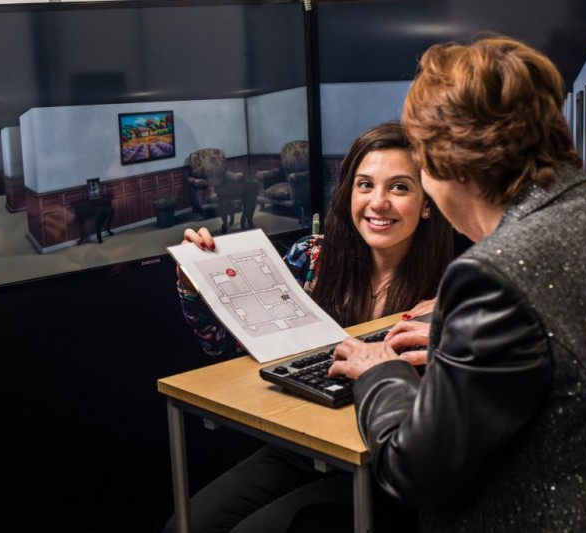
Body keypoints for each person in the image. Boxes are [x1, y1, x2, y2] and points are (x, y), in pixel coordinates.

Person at [328, 35, 586, 533]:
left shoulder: (491, 273)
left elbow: (413, 471)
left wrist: (380, 370)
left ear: (447, 163)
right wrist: (460, 340)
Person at [165, 121, 458, 533]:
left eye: (399, 187)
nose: (378, 203)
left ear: (427, 203)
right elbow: (224, 349)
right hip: (300, 446)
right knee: (185, 525)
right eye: (365, 185)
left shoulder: (451, 290)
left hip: (377, 456)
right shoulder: (312, 259)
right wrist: (195, 285)